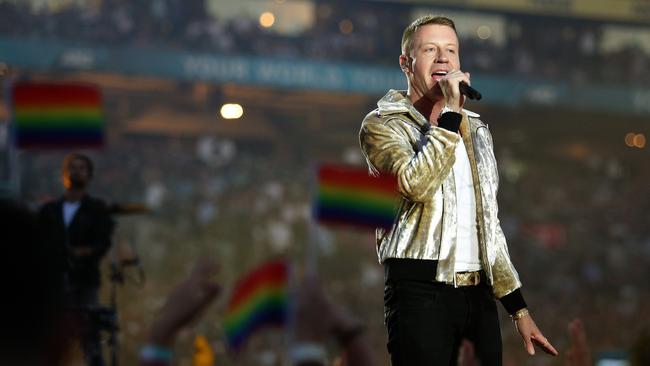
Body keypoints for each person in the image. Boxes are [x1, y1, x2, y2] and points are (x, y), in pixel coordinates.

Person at [358, 15, 558, 365]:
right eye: (430, 49)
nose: (443, 59)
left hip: (479, 297)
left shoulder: (477, 129)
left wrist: (517, 307)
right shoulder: (382, 125)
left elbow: (488, 222)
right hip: (419, 292)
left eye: (451, 50)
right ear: (406, 63)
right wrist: (449, 114)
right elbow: (414, 184)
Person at [38, 153, 115, 366]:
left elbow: (103, 243)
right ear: (64, 175)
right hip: (54, 283)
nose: (76, 172)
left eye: (82, 168)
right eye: (72, 168)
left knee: (89, 338)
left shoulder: (97, 210)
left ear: (89, 175)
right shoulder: (49, 211)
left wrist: (85, 253)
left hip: (85, 282)